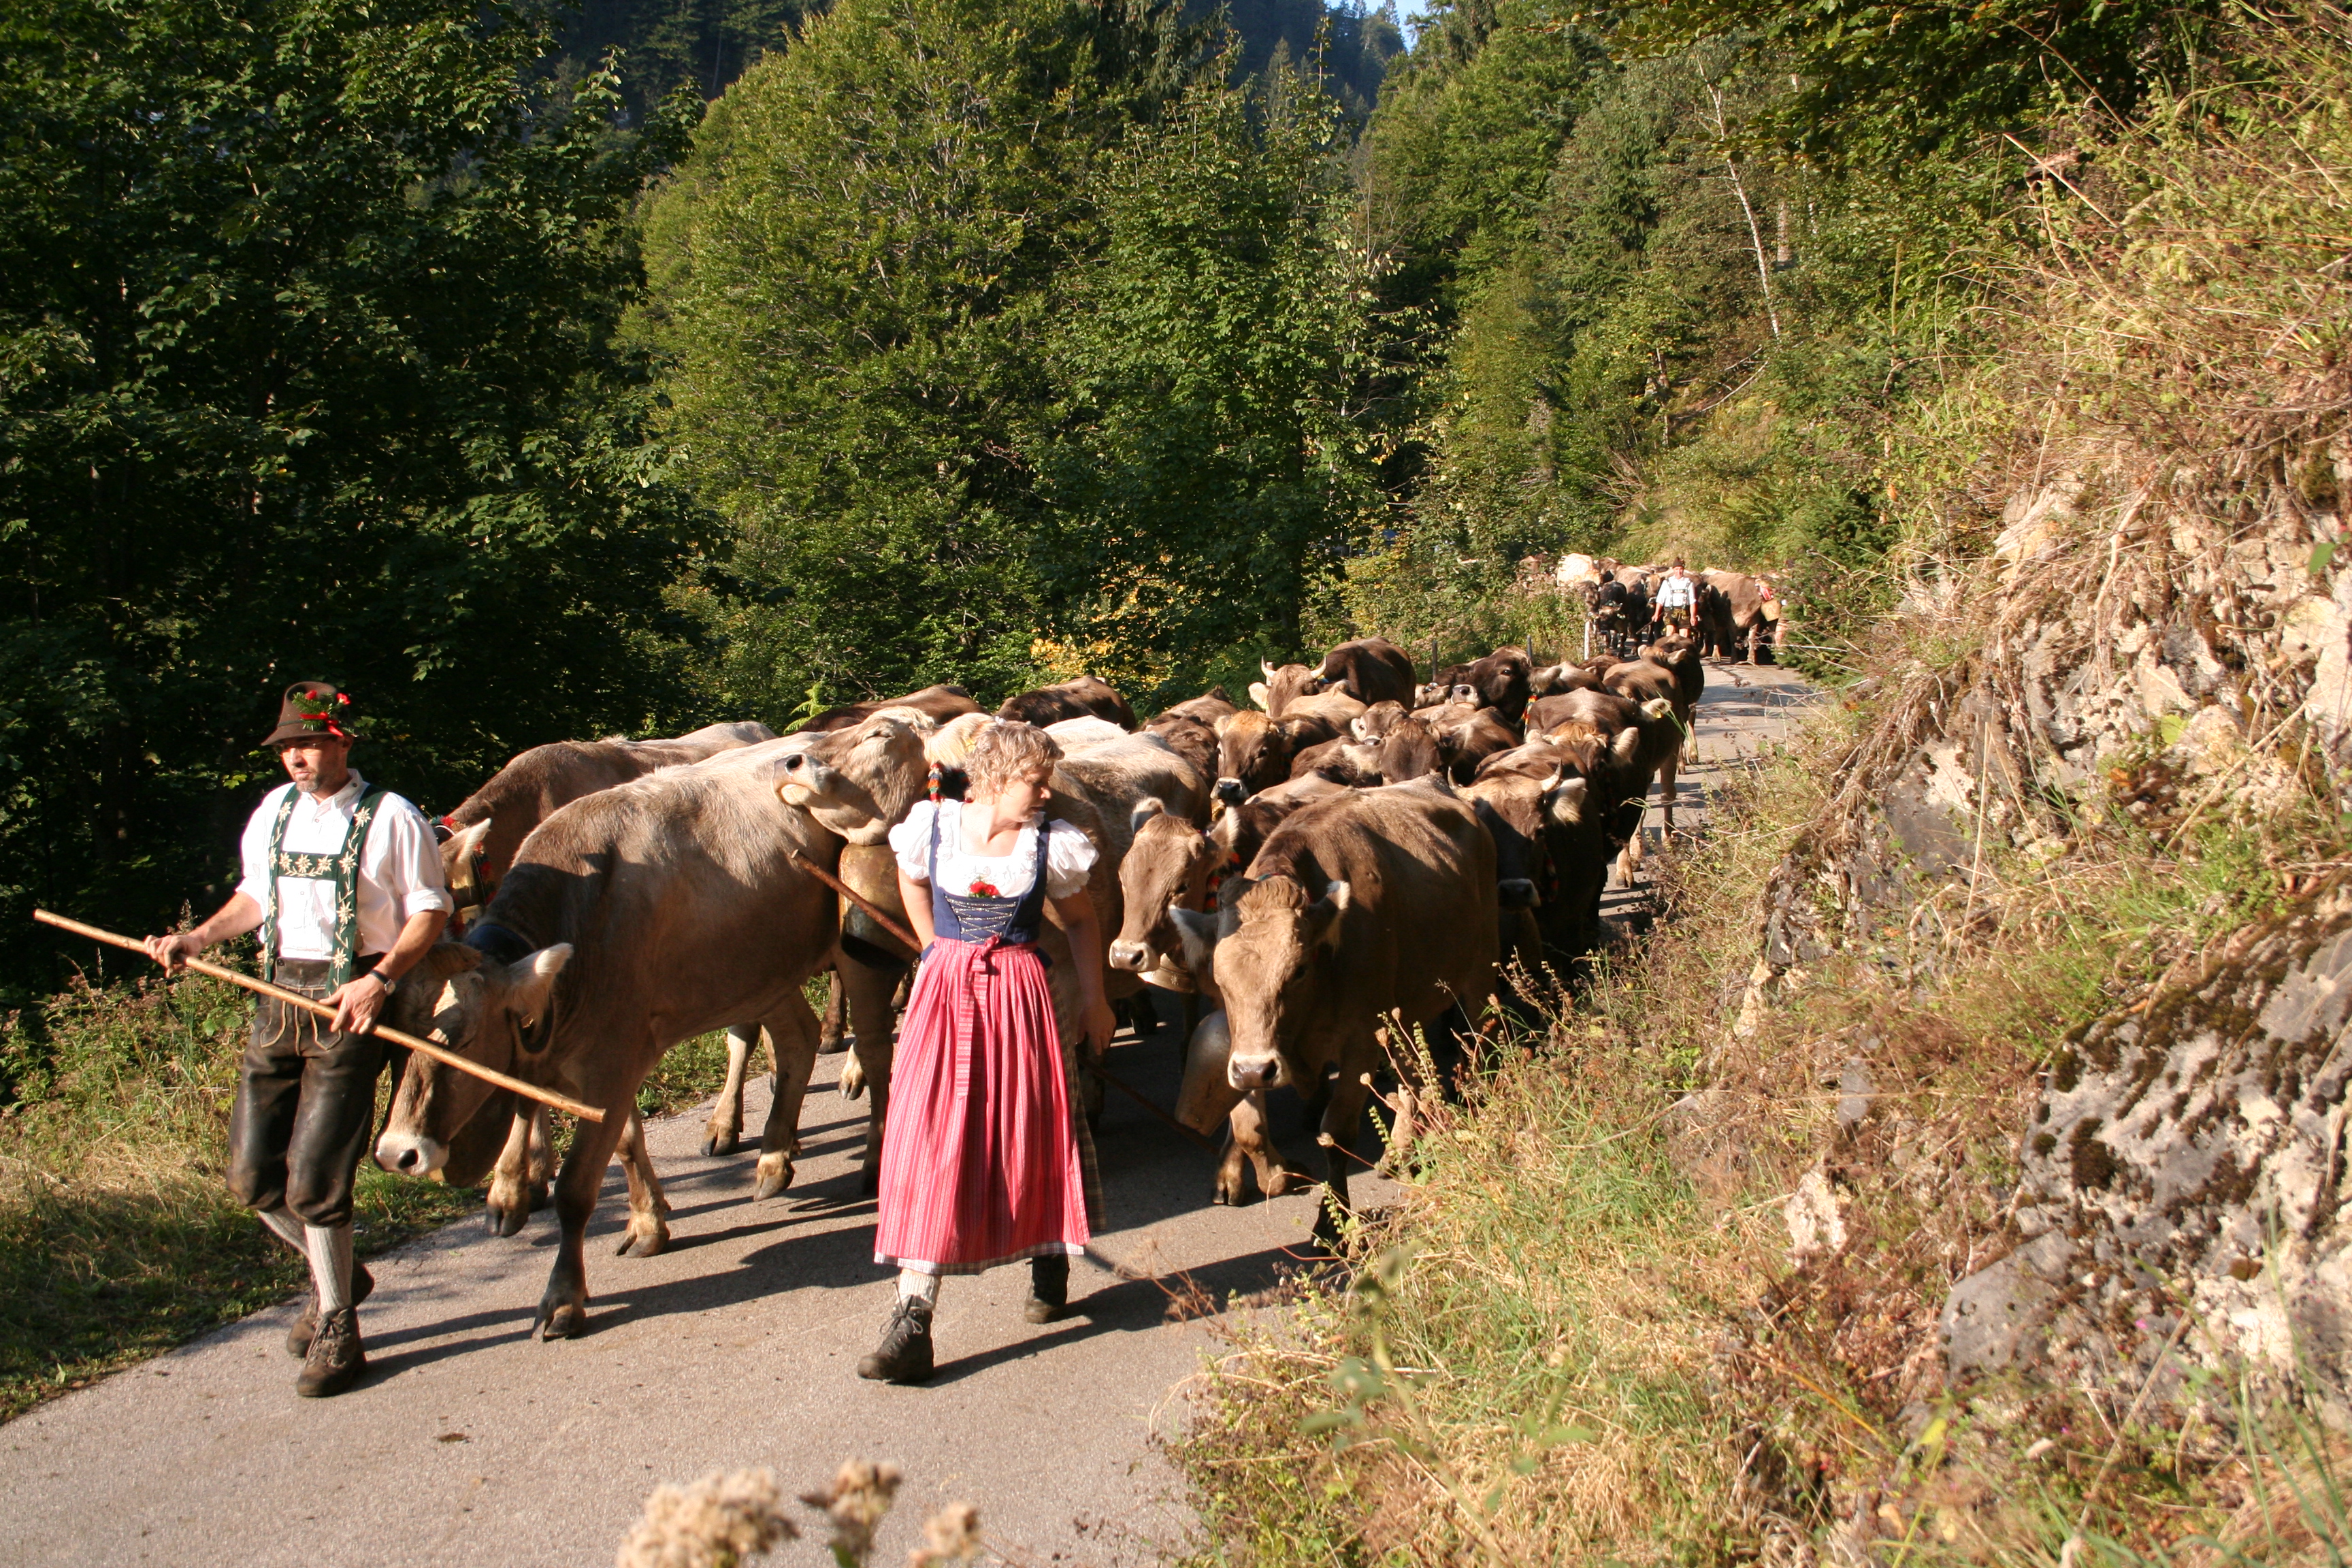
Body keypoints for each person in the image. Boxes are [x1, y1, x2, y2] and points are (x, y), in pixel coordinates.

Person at [143, 682, 451, 1398]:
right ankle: (337, 1272)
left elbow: (430, 912)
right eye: (287, 747)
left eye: (309, 743)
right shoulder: (274, 812)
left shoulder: (392, 818)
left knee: (315, 1180)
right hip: (277, 999)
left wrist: (380, 981)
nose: (297, 758)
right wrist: (197, 937)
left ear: (343, 741)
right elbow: (256, 897)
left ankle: (340, 1324)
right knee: (252, 1179)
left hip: (351, 1006)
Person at [858, 721, 1115, 1384]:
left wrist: (1096, 1002)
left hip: (1022, 994)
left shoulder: (1047, 844)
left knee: (1029, 1132)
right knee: (927, 1140)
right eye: (1036, 781)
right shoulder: (933, 826)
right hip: (945, 993)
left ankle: (1049, 1251)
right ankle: (912, 1319)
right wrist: (933, 947)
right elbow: (910, 880)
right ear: (997, 778)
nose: (1045, 794)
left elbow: (1081, 921)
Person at [1655, 558, 1697, 635]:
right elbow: (1660, 599)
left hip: (1684, 611)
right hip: (1670, 611)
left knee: (1684, 634)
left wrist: (1693, 616)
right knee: (1670, 632)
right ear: (1673, 570)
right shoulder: (1667, 582)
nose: (1679, 571)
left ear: (1683, 570)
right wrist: (1656, 614)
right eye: (1677, 569)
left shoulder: (1689, 582)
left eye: (1681, 569)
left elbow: (1692, 601)